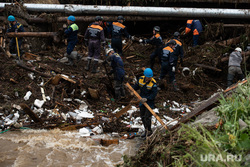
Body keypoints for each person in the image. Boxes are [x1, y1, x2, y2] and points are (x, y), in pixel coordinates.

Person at [132, 68, 157, 138]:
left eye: (150, 77)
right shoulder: (140, 79)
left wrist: (147, 99)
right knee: (142, 116)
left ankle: (149, 131)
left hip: (149, 102)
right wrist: (132, 88)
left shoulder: (153, 83)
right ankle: (146, 130)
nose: (149, 78)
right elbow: (137, 86)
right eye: (148, 77)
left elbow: (154, 94)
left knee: (147, 117)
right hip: (142, 100)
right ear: (145, 76)